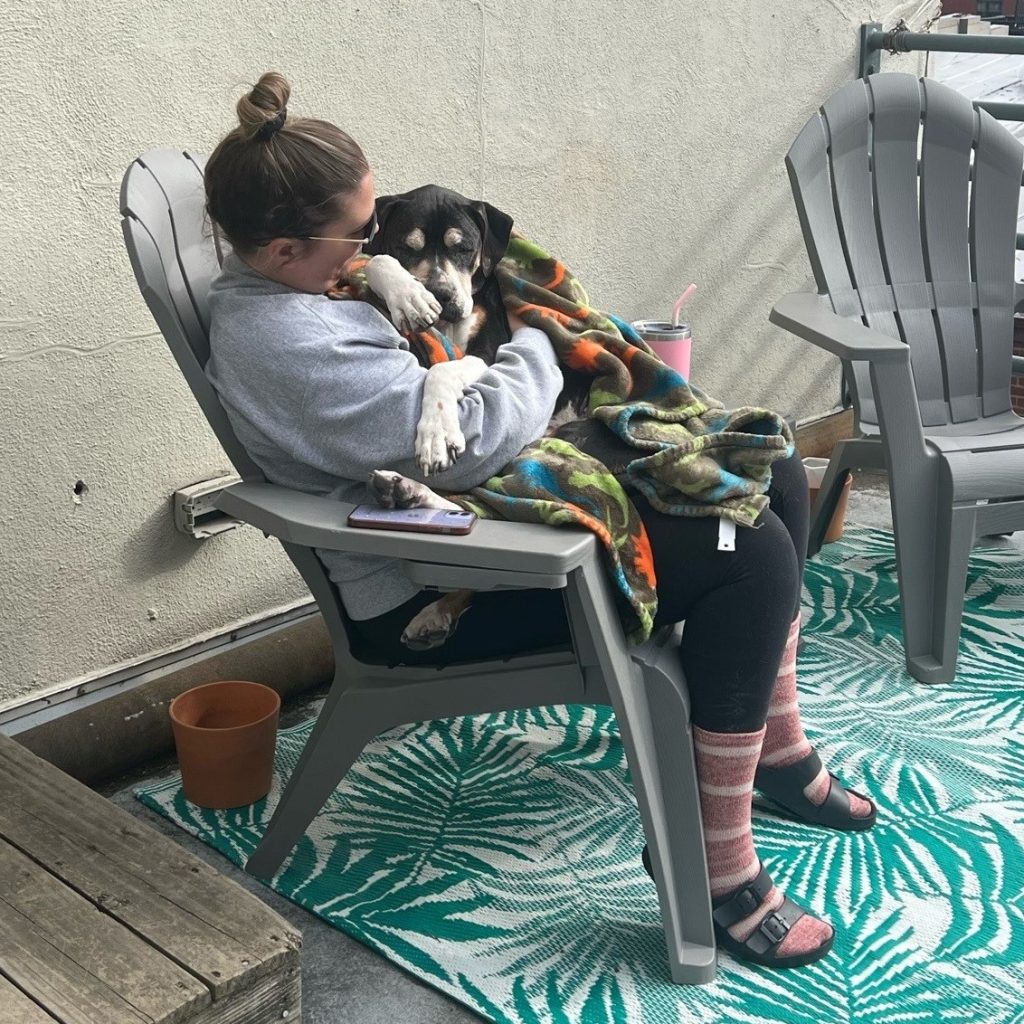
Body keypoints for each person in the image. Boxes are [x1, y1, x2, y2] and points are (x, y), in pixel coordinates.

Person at [204, 72, 877, 970]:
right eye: (363, 234)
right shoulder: (289, 344)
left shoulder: (318, 292)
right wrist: (538, 337)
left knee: (770, 456)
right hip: (443, 581)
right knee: (745, 549)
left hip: (484, 517)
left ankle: (776, 754)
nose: (379, 253)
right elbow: (475, 437)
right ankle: (715, 873)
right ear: (288, 247)